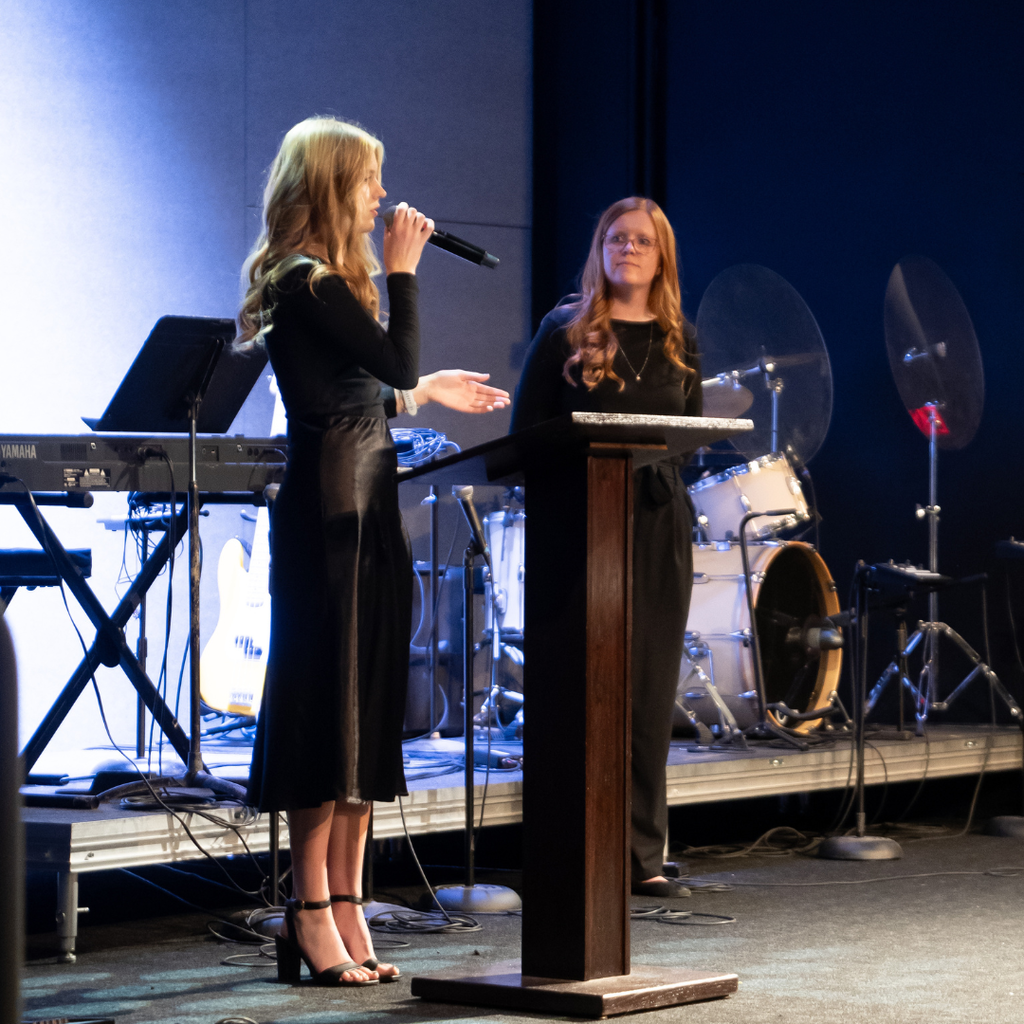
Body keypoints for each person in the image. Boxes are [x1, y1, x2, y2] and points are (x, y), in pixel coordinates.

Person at [237, 116, 509, 986]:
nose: (382, 195)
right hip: (329, 511)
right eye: (368, 180)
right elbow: (389, 365)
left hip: (367, 500)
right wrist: (404, 271)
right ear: (327, 184)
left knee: (364, 708)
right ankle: (308, 907)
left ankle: (348, 901)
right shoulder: (302, 280)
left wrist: (424, 392)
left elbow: (360, 395)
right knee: (327, 708)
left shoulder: (325, 286)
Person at [510, 196, 701, 898]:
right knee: (577, 691)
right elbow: (527, 431)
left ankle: (641, 857)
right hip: (578, 522)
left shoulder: (680, 338)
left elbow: (689, 437)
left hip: (655, 524)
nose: (628, 249)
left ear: (662, 256)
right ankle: (572, 849)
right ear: (600, 249)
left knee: (647, 696)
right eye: (617, 238)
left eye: (643, 241)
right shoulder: (565, 329)